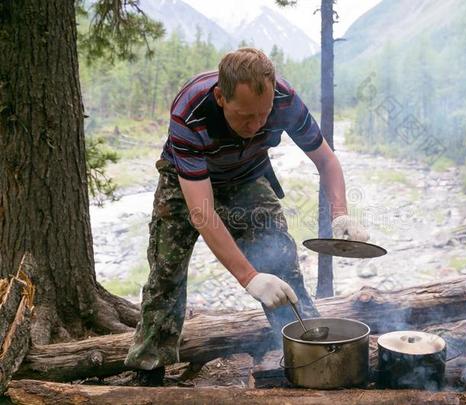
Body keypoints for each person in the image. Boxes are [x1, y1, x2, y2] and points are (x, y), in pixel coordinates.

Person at [124, 47, 369, 385]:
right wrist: (249, 277)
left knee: (281, 260)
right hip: (185, 184)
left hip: (247, 176)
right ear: (221, 97)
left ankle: (311, 354)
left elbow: (326, 159)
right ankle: (148, 367)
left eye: (263, 115)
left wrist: (340, 215)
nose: (256, 126)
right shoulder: (189, 112)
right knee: (166, 273)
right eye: (245, 116)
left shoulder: (285, 101)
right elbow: (202, 212)